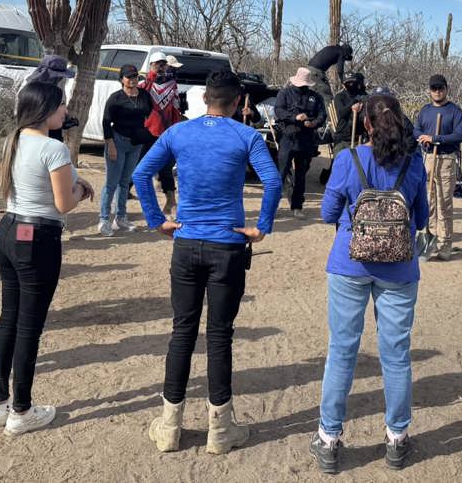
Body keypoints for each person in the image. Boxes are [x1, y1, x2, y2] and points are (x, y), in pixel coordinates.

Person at [133, 70, 282, 456]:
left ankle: (169, 426)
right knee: (219, 335)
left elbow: (141, 172)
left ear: (204, 100)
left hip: (186, 243)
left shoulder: (179, 133)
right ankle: (220, 429)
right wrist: (261, 226)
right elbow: (273, 181)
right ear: (239, 103)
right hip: (227, 245)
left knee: (182, 331)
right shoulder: (247, 135)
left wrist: (156, 221)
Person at [309, 92, 429, 474]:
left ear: (369, 124)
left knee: (342, 349)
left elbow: (329, 213)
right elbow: (422, 217)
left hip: (350, 264)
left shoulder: (349, 159)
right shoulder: (413, 163)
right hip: (399, 269)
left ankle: (329, 438)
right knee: (395, 354)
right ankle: (396, 437)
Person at [0, 81, 94, 435]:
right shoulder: (53, 149)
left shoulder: (12, 141)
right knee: (29, 328)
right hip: (37, 238)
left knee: (8, 320)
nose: (65, 112)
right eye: (61, 107)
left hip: (8, 230)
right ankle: (21, 409)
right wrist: (81, 189)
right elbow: (64, 203)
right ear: (47, 110)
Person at [412, 74, 462, 261]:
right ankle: (430, 239)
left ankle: (445, 244)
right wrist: (424, 137)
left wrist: (435, 139)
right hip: (427, 158)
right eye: (434, 88)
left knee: (444, 203)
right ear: (429, 90)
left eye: (440, 88)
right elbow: (415, 130)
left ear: (446, 89)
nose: (437, 91)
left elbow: (459, 135)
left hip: (446, 159)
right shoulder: (425, 111)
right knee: (429, 201)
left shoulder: (454, 111)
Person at [98, 64, 153, 236]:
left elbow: (149, 112)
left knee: (125, 181)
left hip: (135, 143)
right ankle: (104, 219)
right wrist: (111, 144)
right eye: (129, 76)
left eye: (135, 76)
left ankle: (120, 217)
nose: (133, 79)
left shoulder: (144, 95)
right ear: (122, 79)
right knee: (111, 182)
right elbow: (106, 122)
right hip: (118, 141)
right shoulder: (116, 98)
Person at [273, 67, 327, 217]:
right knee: (281, 172)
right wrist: (294, 117)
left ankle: (297, 206)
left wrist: (314, 123)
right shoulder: (285, 93)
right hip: (287, 138)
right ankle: (272, 204)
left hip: (306, 139)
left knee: (301, 175)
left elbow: (322, 115)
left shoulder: (315, 97)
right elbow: (278, 111)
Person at [142, 51, 186, 216]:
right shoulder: (145, 81)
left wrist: (175, 127)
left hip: (166, 131)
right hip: (148, 130)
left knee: (166, 168)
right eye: (157, 64)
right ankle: (124, 199)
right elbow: (144, 90)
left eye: (163, 64)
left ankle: (171, 202)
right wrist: (153, 73)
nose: (161, 67)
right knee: (141, 166)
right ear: (151, 65)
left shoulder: (172, 84)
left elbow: (175, 107)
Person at [17, 54, 77, 142]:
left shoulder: (58, 86)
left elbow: (60, 104)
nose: (58, 78)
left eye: (60, 76)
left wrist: (66, 119)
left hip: (53, 131)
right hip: (33, 130)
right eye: (56, 76)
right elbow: (20, 110)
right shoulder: (29, 86)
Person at [329, 72, 367, 156]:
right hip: (343, 137)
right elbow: (341, 113)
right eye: (348, 83)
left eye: (353, 82)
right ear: (344, 85)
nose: (351, 85)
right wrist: (353, 103)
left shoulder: (363, 96)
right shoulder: (339, 97)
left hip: (359, 137)